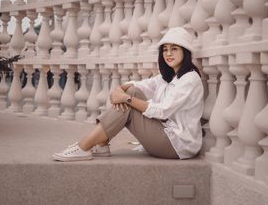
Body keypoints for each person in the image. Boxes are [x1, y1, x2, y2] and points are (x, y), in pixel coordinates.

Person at [52, 27, 204, 161]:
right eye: (165, 49)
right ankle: (101, 144)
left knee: (129, 102)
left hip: (178, 145)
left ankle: (84, 146)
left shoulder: (189, 79)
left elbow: (162, 111)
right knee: (133, 92)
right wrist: (119, 91)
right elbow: (136, 86)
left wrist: (125, 98)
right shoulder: (168, 77)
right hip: (165, 134)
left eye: (174, 49)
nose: (168, 53)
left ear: (185, 50)